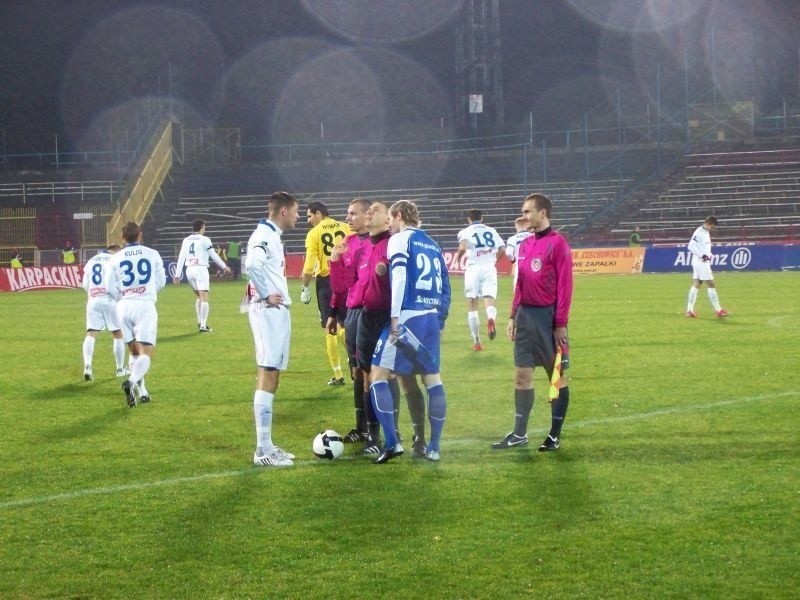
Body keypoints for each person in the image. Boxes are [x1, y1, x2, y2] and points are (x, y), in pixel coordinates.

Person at [369, 200, 451, 464]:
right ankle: (434, 447)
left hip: (407, 316)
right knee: (432, 379)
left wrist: (395, 318)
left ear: (400, 216)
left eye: (391, 219)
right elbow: (445, 289)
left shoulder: (400, 240)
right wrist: (439, 320)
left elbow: (400, 278)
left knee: (378, 376)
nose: (389, 225)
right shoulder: (433, 245)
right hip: (429, 318)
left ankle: (392, 443)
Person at [492, 193, 573, 453]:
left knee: (556, 378)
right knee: (521, 377)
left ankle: (554, 435)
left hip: (548, 318)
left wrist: (560, 323)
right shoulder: (525, 245)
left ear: (543, 213)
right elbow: (520, 284)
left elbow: (565, 286)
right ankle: (519, 434)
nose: (524, 216)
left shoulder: (558, 244)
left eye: (528, 211)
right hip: (525, 317)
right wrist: (513, 316)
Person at [246, 191, 300, 467]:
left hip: (273, 312)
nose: (298, 216)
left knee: (272, 374)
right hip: (268, 312)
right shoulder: (264, 236)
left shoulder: (270, 235)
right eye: (295, 211)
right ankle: (262, 451)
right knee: (268, 373)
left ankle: (266, 445)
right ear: (283, 211)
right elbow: (251, 265)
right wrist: (266, 294)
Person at [104, 222, 166, 408]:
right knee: (145, 354)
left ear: (122, 238)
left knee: (134, 352)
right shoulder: (152, 254)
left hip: (123, 306)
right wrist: (146, 293)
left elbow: (109, 288)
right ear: (140, 235)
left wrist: (122, 297)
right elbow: (161, 282)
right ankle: (131, 383)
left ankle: (143, 391)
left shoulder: (115, 258)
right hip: (144, 305)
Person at [327, 198, 372, 444]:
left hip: (375, 314)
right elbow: (340, 285)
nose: (347, 218)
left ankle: (381, 428)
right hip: (352, 315)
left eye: (352, 214)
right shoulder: (348, 243)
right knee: (357, 371)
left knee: (377, 373)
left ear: (368, 216)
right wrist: (333, 312)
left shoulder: (381, 241)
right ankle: (360, 428)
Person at [300, 201, 351, 385]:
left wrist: (305, 288)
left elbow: (308, 267)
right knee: (345, 324)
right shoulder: (345, 227)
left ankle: (338, 375)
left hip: (327, 282)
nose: (308, 220)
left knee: (330, 328)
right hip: (347, 279)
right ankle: (355, 361)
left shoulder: (314, 233)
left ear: (319, 214)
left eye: (309, 215)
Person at [455, 209, 505, 351]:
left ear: (469, 219)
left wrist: (458, 258)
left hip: (473, 268)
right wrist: (494, 260)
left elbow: (463, 247)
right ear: (481, 218)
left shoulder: (465, 231)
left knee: (472, 303)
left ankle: (477, 342)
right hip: (489, 266)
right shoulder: (492, 230)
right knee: (489, 298)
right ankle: (490, 318)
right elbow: (503, 248)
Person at [81, 244, 128, 381]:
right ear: (116, 251)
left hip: (93, 300)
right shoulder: (115, 260)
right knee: (117, 333)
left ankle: (88, 366)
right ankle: (120, 369)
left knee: (91, 333)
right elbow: (118, 283)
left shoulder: (92, 260)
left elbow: (85, 284)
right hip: (110, 300)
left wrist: (93, 295)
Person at [173, 219, 230, 332]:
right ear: (202, 227)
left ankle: (200, 322)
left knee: (199, 296)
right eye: (204, 227)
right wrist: (224, 267)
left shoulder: (186, 240)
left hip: (189, 270)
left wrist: (177, 274)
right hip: (200, 269)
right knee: (204, 298)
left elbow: (181, 257)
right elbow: (213, 255)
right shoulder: (205, 239)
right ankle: (203, 326)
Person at [686, 216, 729, 318]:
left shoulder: (705, 232)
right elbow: (690, 246)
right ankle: (718, 310)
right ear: (709, 223)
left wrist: (708, 255)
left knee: (696, 284)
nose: (713, 229)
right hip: (701, 262)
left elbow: (704, 247)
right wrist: (703, 255)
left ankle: (689, 310)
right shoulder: (699, 232)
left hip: (699, 261)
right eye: (712, 226)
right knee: (711, 284)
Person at [505, 215, 533, 287]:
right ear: (526, 225)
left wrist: (513, 260)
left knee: (519, 292)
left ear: (516, 226)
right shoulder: (534, 236)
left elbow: (508, 253)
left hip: (520, 265)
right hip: (533, 266)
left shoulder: (512, 239)